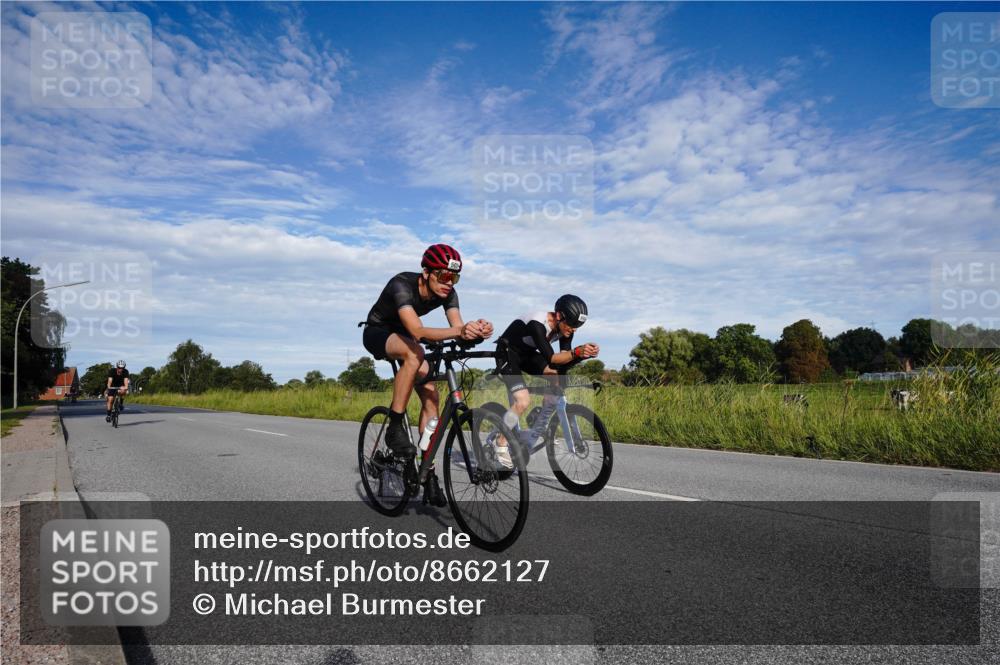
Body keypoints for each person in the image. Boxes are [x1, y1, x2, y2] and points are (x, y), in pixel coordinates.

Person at [362, 243, 493, 506]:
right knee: (415, 352)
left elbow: (457, 328)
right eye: (443, 276)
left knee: (431, 398)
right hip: (378, 332)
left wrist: (474, 331)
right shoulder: (401, 285)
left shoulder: (449, 294)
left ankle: (428, 473)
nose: (449, 283)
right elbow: (419, 331)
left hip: (408, 338)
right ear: (426, 273)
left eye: (454, 277)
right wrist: (460, 331)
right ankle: (396, 426)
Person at [493, 295, 599, 468]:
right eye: (572, 325)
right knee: (523, 400)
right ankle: (500, 442)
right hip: (507, 353)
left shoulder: (565, 328)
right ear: (558, 316)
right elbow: (552, 358)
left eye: (577, 326)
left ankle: (540, 418)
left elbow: (563, 363)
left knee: (555, 376)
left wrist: (581, 356)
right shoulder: (537, 323)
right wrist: (577, 353)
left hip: (527, 354)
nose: (574, 330)